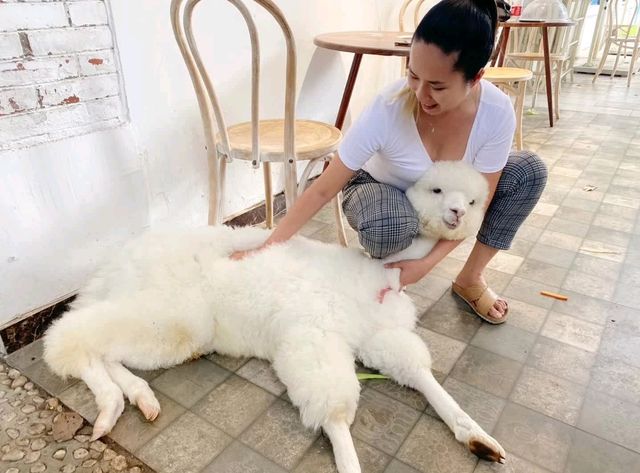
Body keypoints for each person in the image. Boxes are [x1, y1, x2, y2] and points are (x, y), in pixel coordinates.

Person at [232, 0, 547, 324]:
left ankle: (470, 278)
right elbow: (323, 190)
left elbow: (478, 202)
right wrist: (267, 247)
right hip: (379, 186)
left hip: (440, 199)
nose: (421, 94)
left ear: (476, 78)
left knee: (528, 171)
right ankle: (389, 276)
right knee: (389, 224)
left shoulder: (496, 112)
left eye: (437, 86)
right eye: (413, 75)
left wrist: (426, 265)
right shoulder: (388, 106)